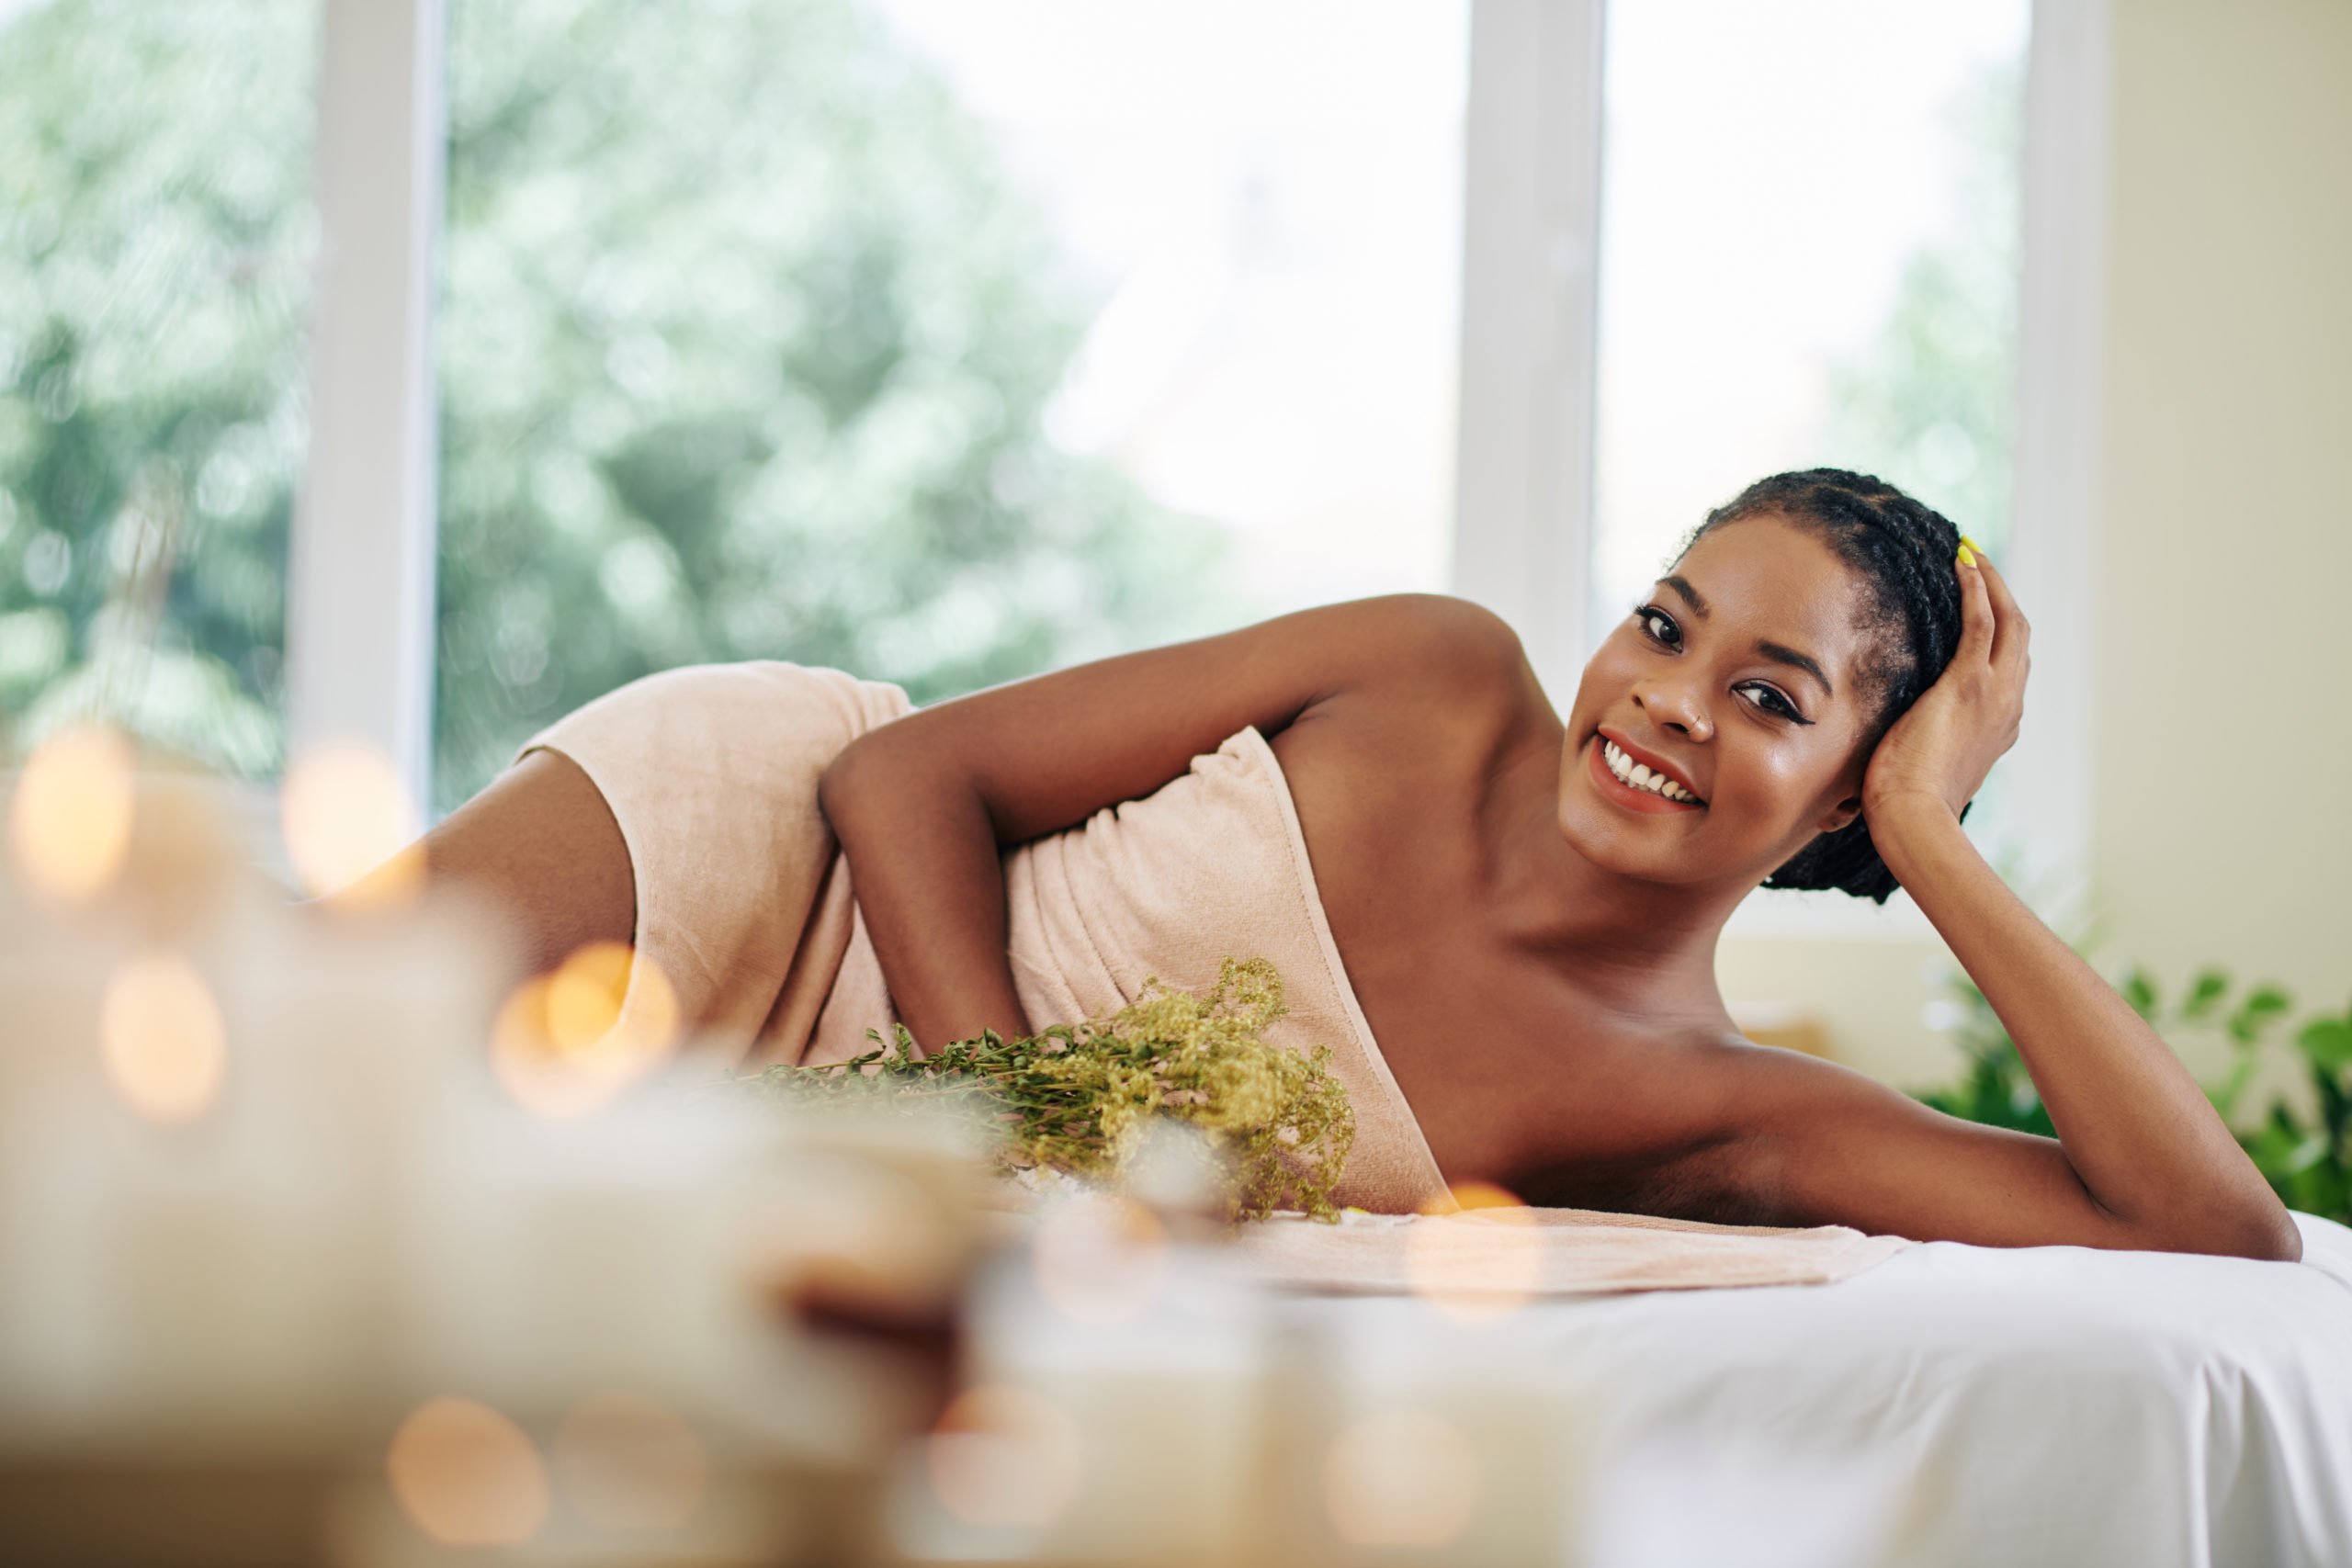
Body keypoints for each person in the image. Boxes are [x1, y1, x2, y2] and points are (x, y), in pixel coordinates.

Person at [419, 468, 2300, 1260]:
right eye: (1660, 621)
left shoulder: (1710, 1104)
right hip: (757, 865)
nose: (1662, 700)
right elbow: (910, 771)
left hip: (855, 1177)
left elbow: (2213, 1225)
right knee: (209, 1091)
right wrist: (1022, 1135)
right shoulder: (1430, 671)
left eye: (1767, 695)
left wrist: (1930, 840)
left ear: (1840, 796)